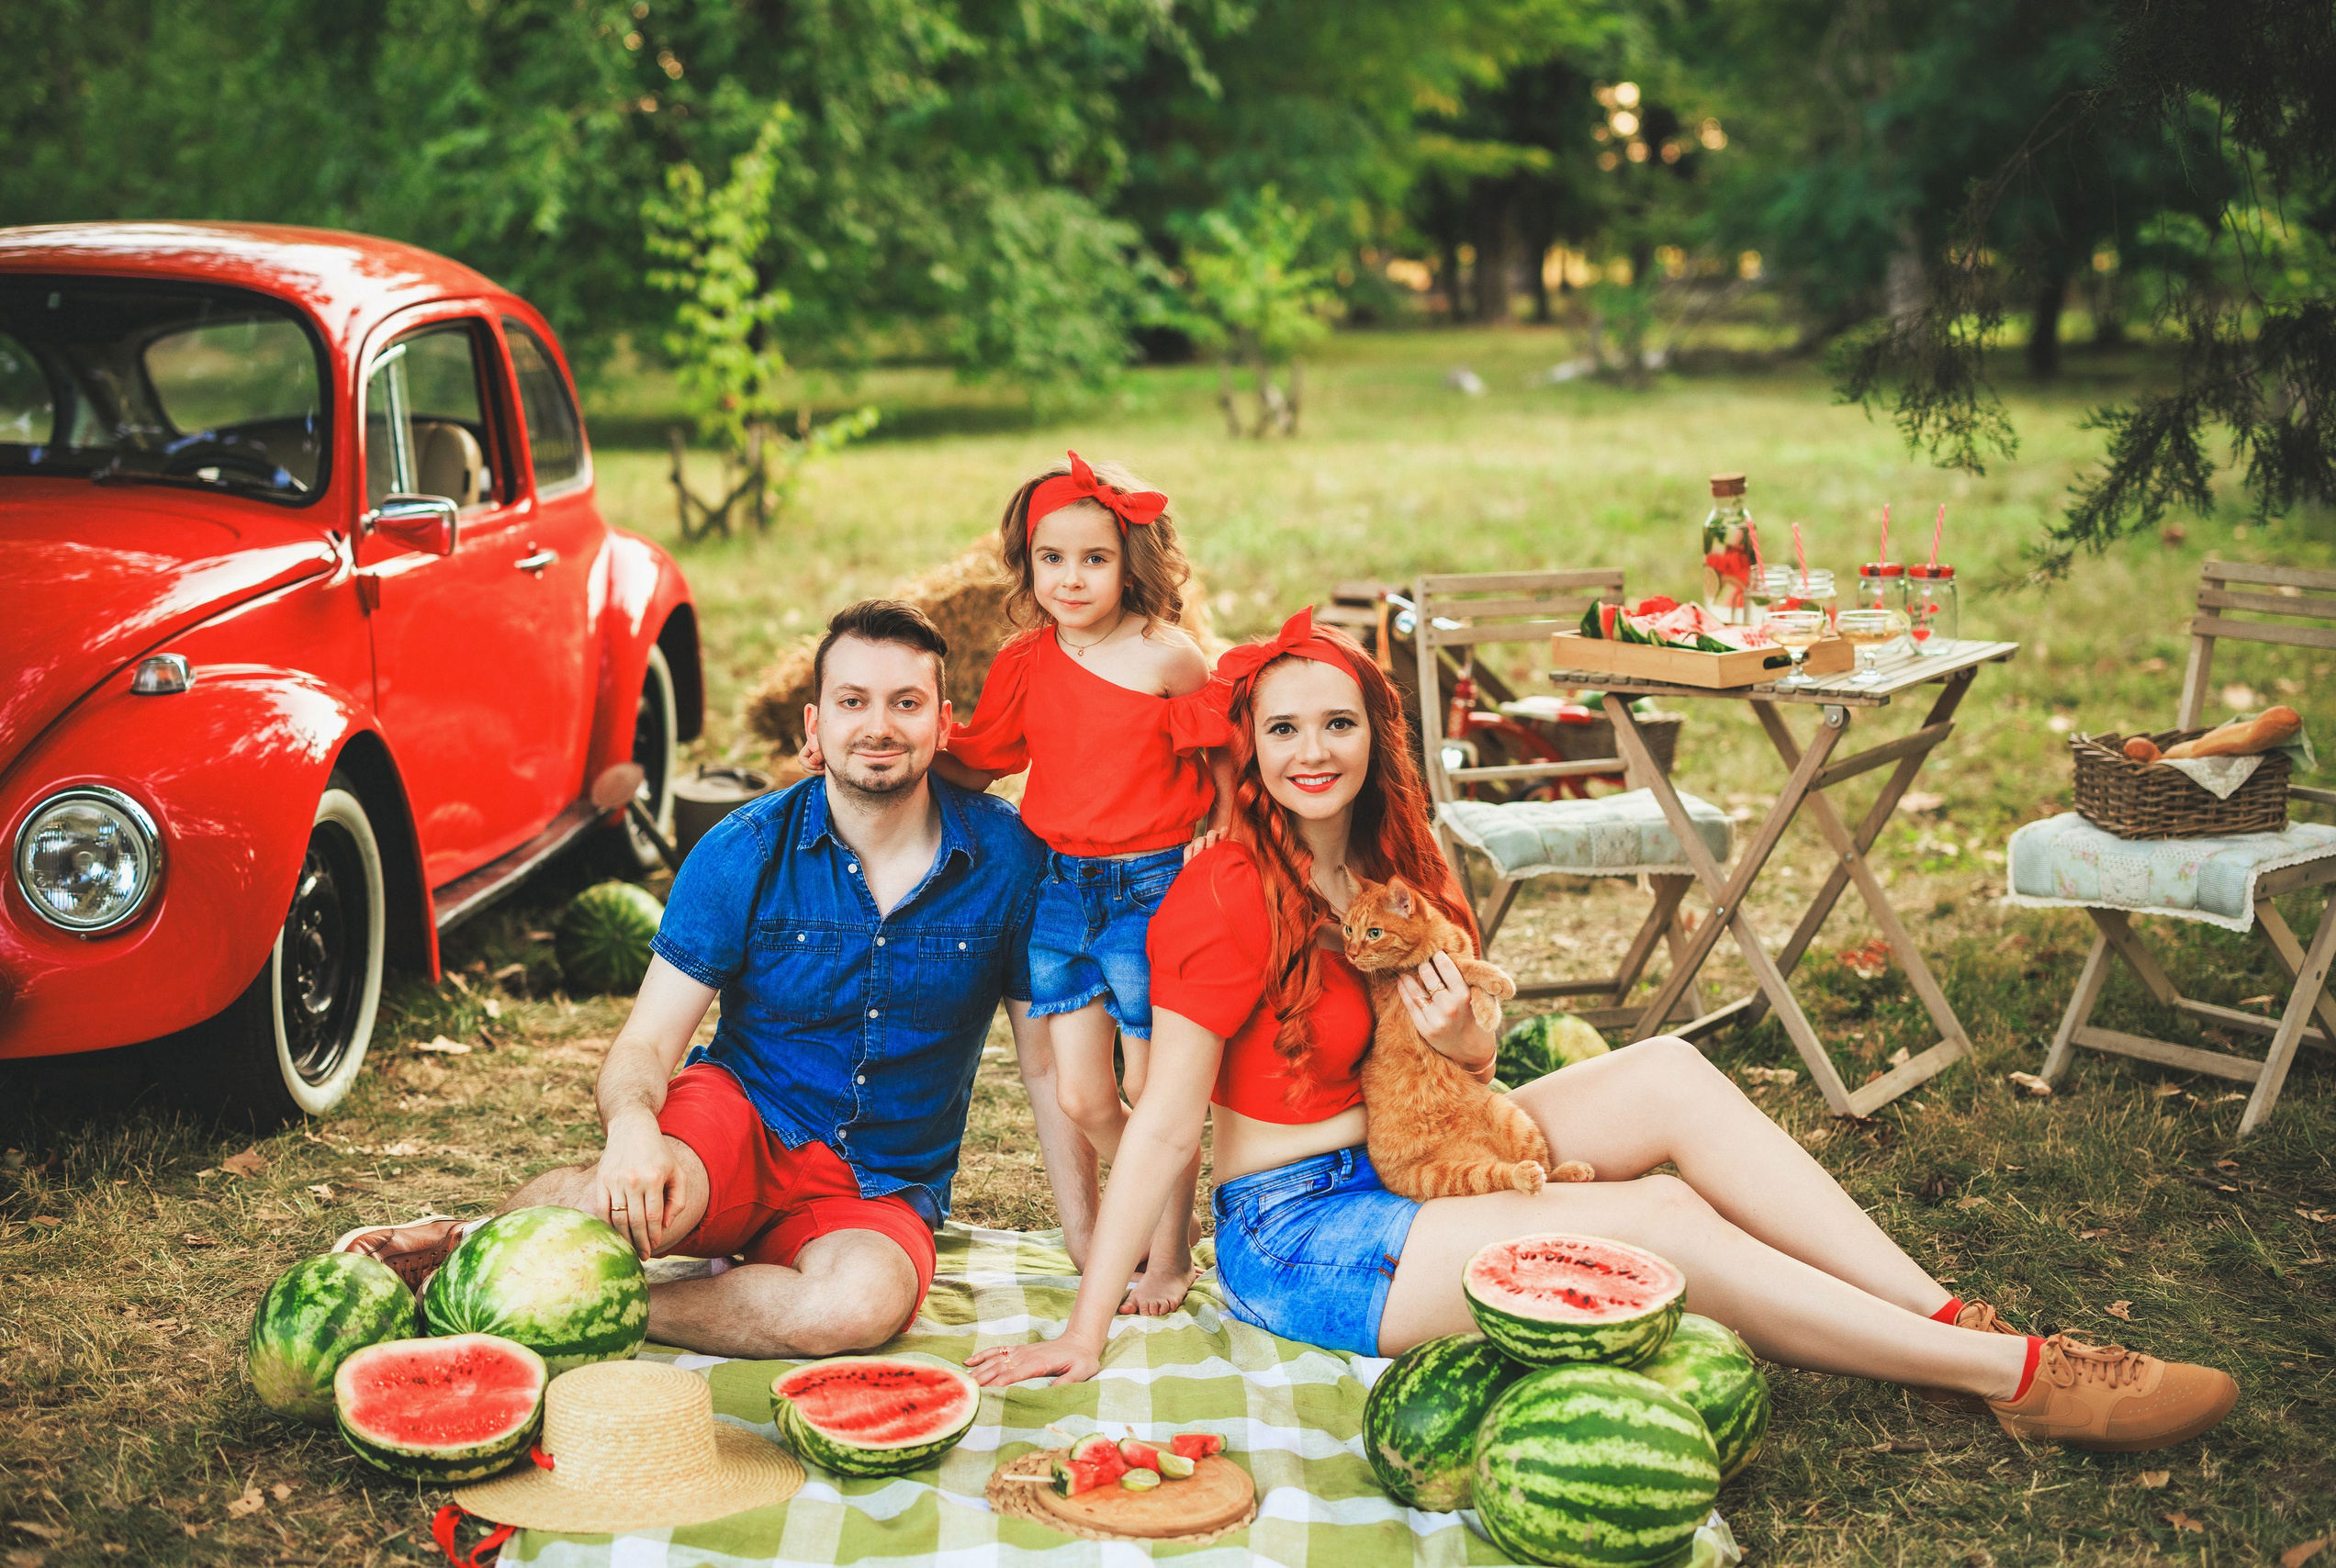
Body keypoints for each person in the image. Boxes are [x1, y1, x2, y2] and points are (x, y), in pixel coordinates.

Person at [971, 609, 2241, 1453]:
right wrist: (1088, 1326)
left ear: (1378, 736)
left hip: (1419, 1149)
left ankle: (1946, 1313)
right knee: (1658, 1220)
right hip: (1306, 1231)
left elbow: (1461, 1065)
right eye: (1285, 728)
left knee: (1674, 1073)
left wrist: (1468, 1035)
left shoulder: (1397, 863)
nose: (1314, 752)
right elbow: (1163, 1126)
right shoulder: (1224, 893)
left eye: (1339, 724)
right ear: (1247, 746)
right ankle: (2016, 1379)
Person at [339, 599, 1096, 1359]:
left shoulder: (1009, 860)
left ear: (943, 721)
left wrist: (1089, 1241)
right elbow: (646, 1042)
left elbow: (1045, 1064)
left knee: (857, 1306)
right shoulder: (743, 850)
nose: (879, 727)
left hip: (884, 1178)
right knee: (627, 1202)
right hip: (742, 1123)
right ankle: (468, 1247)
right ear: (813, 728)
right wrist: (634, 1132)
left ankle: (596, 1303)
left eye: (906, 703)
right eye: (853, 702)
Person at [922, 452, 1231, 1315]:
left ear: (1132, 563)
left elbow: (1222, 762)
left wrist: (1226, 829)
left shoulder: (1171, 660)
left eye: (1094, 559)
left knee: (1150, 1087)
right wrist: (903, 750)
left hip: (1151, 888)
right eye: (1050, 559)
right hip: (1061, 892)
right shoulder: (1027, 661)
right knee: (1081, 1092)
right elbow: (983, 763)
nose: (1070, 578)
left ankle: (1167, 1256)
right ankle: (1135, 1207)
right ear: (1027, 564)